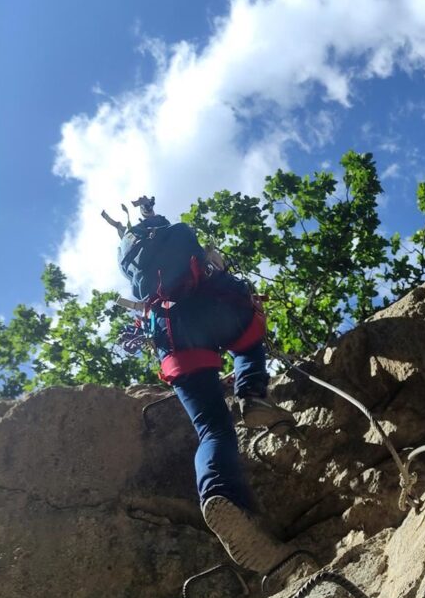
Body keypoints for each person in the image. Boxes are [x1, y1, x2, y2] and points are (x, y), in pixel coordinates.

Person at [108, 196, 293, 573]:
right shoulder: (182, 240)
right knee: (248, 336)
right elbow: (216, 271)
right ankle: (253, 393)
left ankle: (222, 498)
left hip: (173, 333)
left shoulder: (138, 268)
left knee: (213, 430)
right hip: (217, 309)